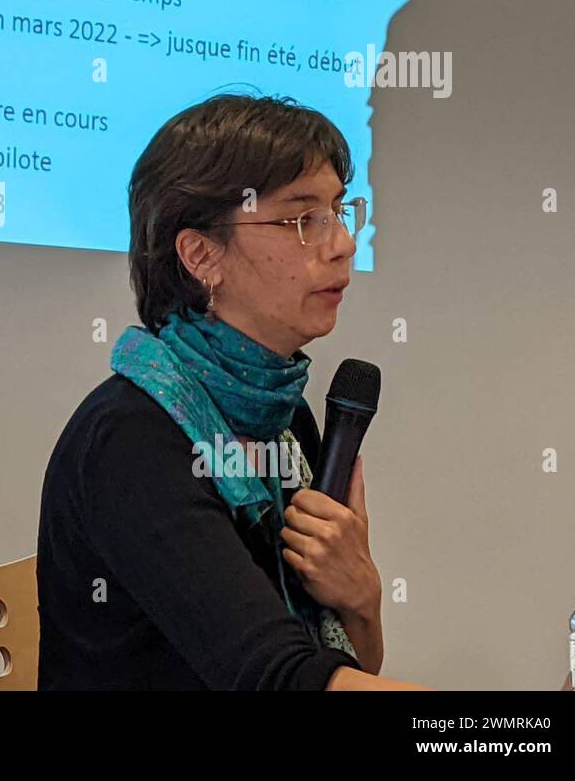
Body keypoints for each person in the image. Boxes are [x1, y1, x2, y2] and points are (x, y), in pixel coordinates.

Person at [37, 94, 425, 690]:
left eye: (339, 211)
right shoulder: (134, 434)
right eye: (302, 219)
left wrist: (362, 598)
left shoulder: (286, 420)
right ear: (200, 255)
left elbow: (343, 666)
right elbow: (274, 680)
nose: (342, 243)